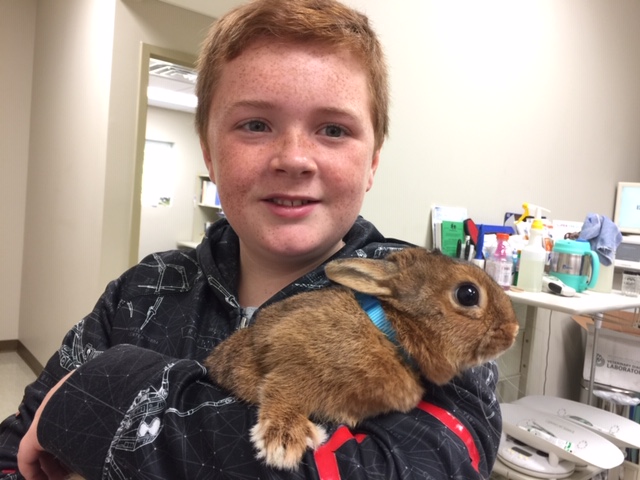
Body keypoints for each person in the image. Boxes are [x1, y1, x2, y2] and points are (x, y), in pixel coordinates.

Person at [0, 0, 502, 478]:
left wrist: (106, 392)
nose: (294, 158)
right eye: (256, 125)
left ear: (372, 162)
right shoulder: (140, 293)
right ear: (210, 154)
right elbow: (16, 449)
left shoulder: (435, 309)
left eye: (332, 129)